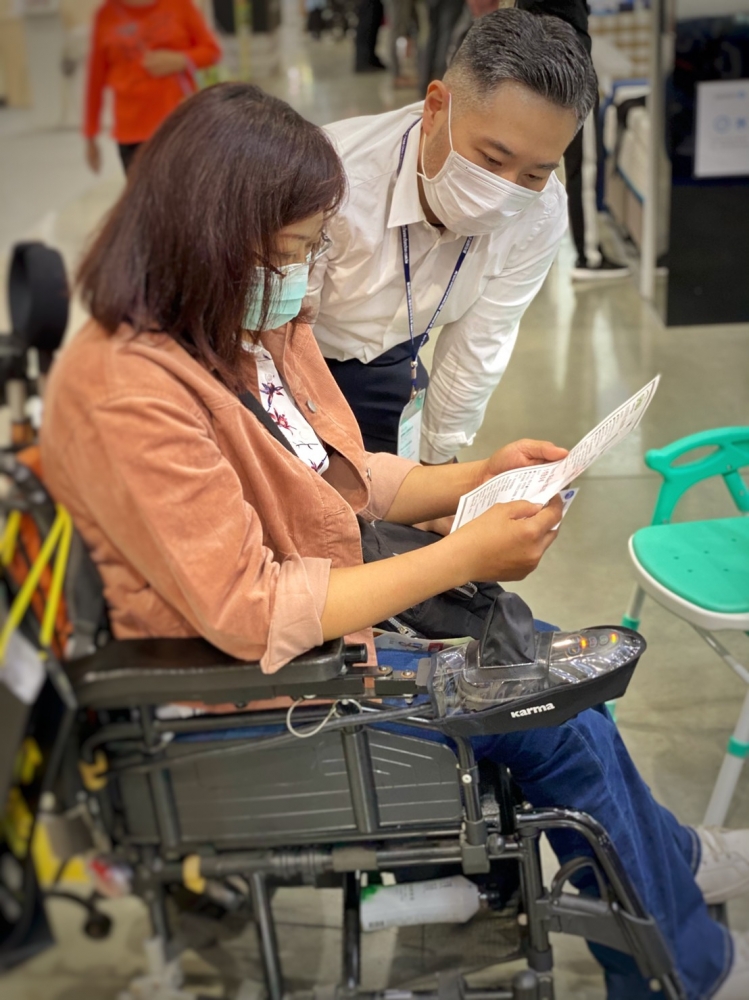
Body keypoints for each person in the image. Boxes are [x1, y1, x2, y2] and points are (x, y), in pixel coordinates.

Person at [40, 82, 749, 1000]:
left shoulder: (246, 324)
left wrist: (478, 475)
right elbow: (253, 610)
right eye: (288, 253)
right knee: (558, 721)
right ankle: (683, 964)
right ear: (207, 237)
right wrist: (462, 554)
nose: (301, 277)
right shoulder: (129, 390)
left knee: (558, 671)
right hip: (255, 687)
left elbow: (339, 474)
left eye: (310, 251)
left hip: (320, 622)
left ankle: (664, 865)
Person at [306, 8, 595, 461]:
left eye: (534, 174)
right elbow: (270, 342)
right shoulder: (330, 181)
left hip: (393, 360)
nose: (503, 193)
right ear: (435, 109)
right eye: (491, 160)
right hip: (293, 355)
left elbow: (479, 345)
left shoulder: (540, 214)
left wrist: (437, 464)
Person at [514, 0, 629, 280]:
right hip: (569, 65)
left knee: (523, 160)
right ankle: (589, 256)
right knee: (584, 166)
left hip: (528, 60)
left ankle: (515, 252)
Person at [83, 0, 221, 173]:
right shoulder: (106, 15)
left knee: (183, 187)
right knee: (141, 189)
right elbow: (95, 79)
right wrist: (90, 135)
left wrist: (179, 60)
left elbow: (212, 52)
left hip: (178, 125)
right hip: (131, 131)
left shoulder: (179, 5)